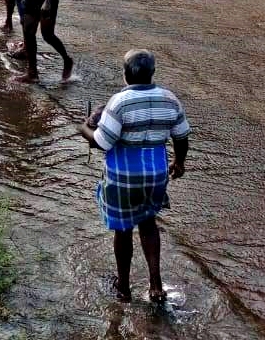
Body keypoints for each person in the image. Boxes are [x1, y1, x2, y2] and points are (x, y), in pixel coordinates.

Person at [80, 50, 190, 305]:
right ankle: (155, 285)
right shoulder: (169, 98)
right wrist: (179, 162)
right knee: (149, 222)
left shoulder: (119, 102)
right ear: (152, 73)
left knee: (123, 228)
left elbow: (102, 143)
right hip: (156, 174)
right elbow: (181, 136)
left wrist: (84, 128)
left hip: (123, 177)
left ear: (125, 74)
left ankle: (124, 288)